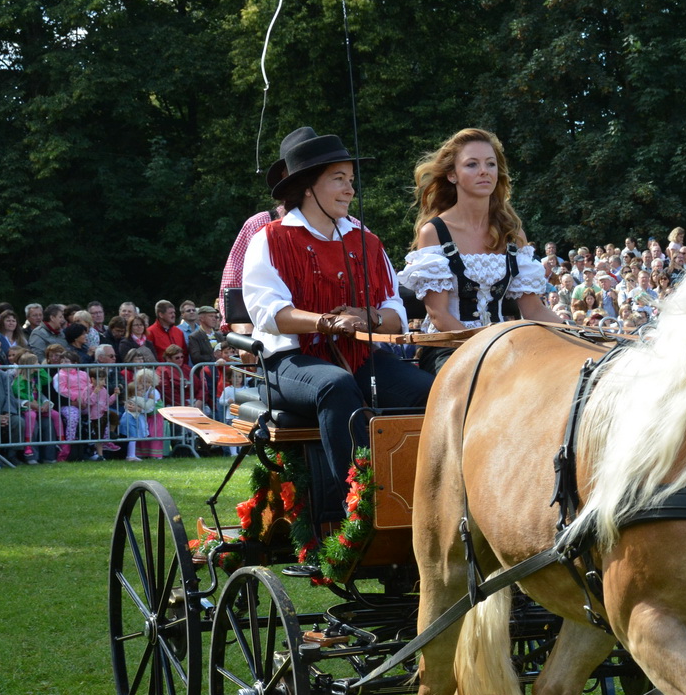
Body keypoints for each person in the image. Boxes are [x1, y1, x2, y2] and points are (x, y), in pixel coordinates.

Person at [240, 126, 427, 494]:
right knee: (336, 386)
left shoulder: (366, 240)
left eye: (351, 179)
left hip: (358, 354)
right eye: (338, 179)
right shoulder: (270, 239)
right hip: (289, 363)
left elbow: (394, 311)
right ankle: (356, 507)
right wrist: (329, 323)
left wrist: (365, 315)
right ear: (308, 186)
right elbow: (270, 314)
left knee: (430, 391)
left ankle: (420, 497)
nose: (350, 189)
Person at [400, 127, 560, 374]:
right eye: (472, 164)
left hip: (502, 347)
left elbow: (534, 310)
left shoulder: (512, 234)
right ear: (452, 175)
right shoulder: (434, 232)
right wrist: (489, 345)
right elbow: (439, 315)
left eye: (490, 164)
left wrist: (580, 335)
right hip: (450, 348)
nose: (484, 171)